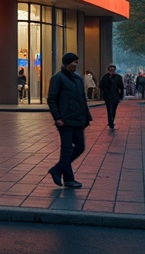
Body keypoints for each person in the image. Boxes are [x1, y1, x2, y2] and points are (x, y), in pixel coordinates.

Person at [46, 52, 90, 189]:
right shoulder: (57, 78)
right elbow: (51, 99)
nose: (76, 65)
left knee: (80, 147)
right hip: (65, 121)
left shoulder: (78, 80)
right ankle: (69, 179)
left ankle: (57, 170)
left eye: (77, 62)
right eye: (74, 62)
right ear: (67, 63)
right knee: (66, 150)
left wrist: (86, 118)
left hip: (78, 120)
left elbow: (82, 100)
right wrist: (57, 117)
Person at [99, 64, 124, 129]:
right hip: (108, 96)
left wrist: (120, 96)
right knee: (109, 109)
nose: (111, 71)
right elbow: (101, 86)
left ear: (114, 70)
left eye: (112, 70)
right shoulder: (105, 77)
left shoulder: (118, 77)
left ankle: (112, 120)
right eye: (110, 70)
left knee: (113, 110)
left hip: (115, 96)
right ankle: (111, 122)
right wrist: (105, 91)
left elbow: (121, 87)